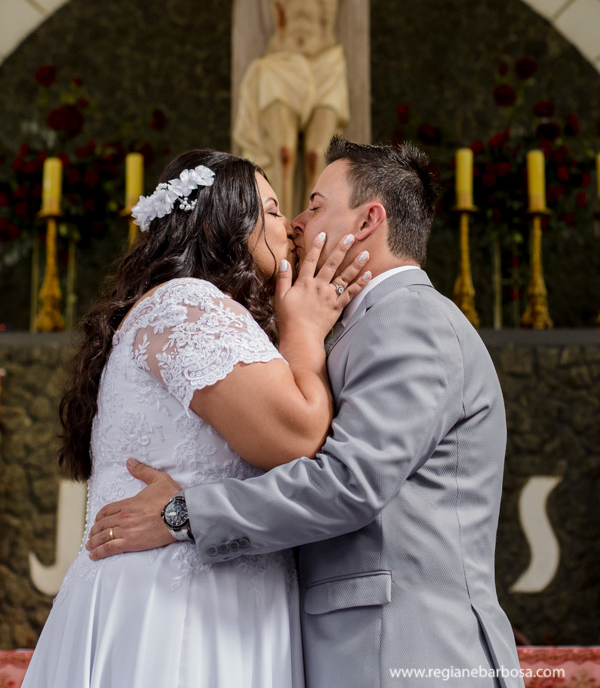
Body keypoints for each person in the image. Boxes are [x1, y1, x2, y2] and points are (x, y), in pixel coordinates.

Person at [89, 137, 525, 688]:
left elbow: (348, 481)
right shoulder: (351, 325)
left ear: (368, 221)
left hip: (406, 649)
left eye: (315, 205)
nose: (296, 222)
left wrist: (183, 514)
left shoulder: (411, 319)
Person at [22, 148, 370, 688]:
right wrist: (304, 330)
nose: (289, 228)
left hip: (214, 598)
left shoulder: (191, 309)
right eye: (272, 210)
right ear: (215, 223)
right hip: (176, 611)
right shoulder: (188, 305)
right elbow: (299, 436)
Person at [122, 0, 503, 214]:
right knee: (283, 154)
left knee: (317, 155)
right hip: (282, 63)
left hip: (325, 64)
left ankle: (312, 233)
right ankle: (278, 231)